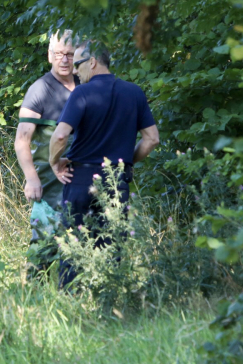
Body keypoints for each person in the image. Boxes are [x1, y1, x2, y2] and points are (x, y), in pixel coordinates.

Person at [48, 42, 160, 287]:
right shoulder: (134, 93)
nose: (75, 71)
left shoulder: (81, 93)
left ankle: (69, 303)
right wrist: (123, 162)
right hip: (116, 181)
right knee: (110, 247)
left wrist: (55, 163)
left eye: (77, 64)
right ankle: (107, 305)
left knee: (73, 245)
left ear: (93, 62)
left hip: (80, 179)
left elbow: (59, 136)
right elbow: (152, 139)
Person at [14, 30, 79, 271]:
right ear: (50, 55)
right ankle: (33, 296)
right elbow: (21, 140)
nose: (65, 60)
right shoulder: (40, 89)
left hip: (82, 179)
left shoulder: (85, 85)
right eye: (60, 54)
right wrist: (31, 178)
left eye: (70, 54)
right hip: (48, 183)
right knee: (43, 245)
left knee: (80, 243)